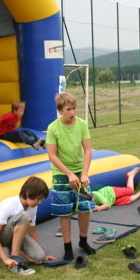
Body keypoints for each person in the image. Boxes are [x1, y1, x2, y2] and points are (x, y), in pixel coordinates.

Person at [46, 92, 96, 261]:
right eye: (68, 109)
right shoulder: (53, 128)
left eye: (74, 109)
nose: (73, 112)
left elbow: (88, 149)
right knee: (64, 211)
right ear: (60, 110)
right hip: (61, 174)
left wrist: (84, 173)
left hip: (79, 171)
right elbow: (52, 155)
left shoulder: (81, 125)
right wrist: (68, 174)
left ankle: (83, 241)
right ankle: (67, 246)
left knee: (85, 208)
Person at [0, 176, 56, 275]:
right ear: (28, 194)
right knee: (24, 216)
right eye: (38, 199)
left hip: (17, 235)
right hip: (2, 237)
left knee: (39, 257)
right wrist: (5, 259)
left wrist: (43, 254)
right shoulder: (9, 204)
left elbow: (32, 231)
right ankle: (15, 258)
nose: (40, 202)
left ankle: (15, 249)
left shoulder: (33, 207)